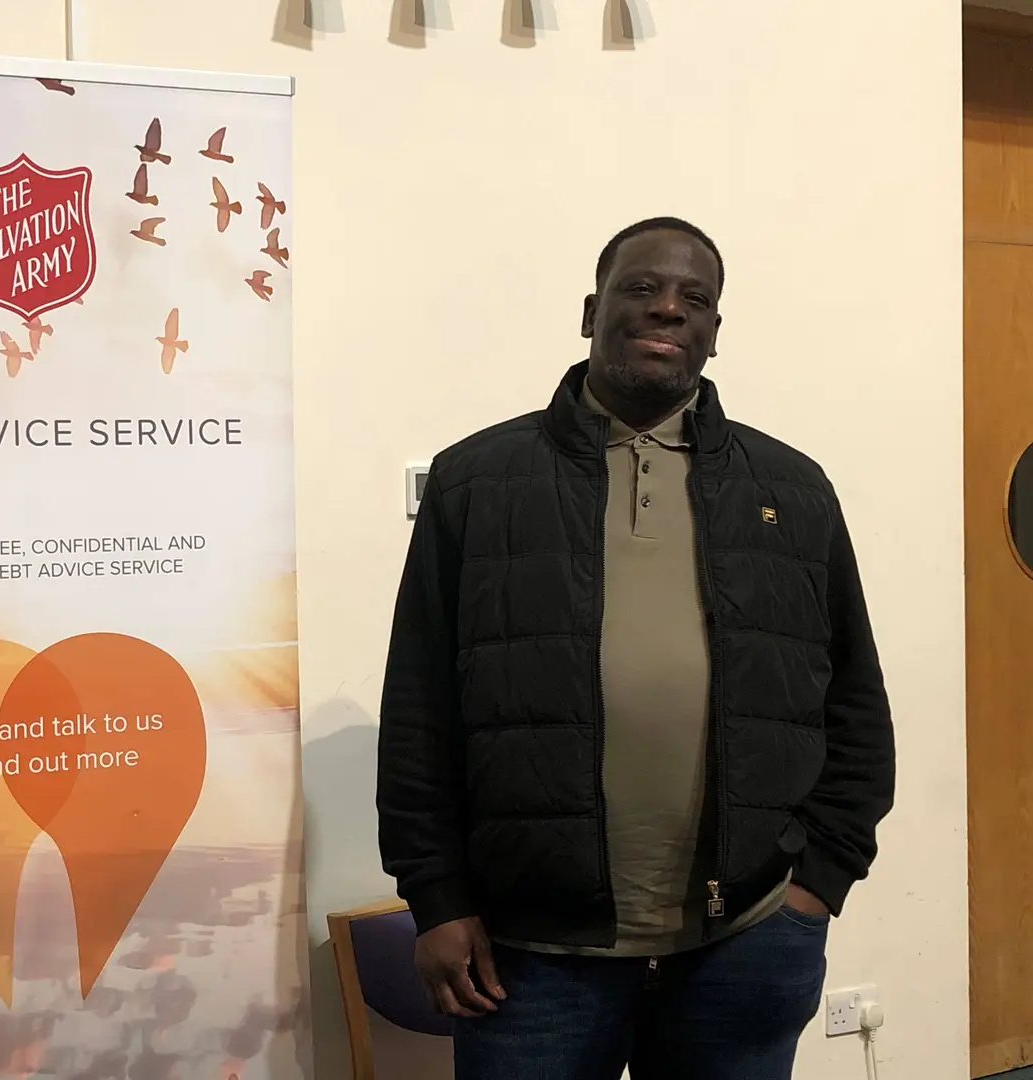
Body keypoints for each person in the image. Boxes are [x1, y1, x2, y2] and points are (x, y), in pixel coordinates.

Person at [376, 217, 895, 1079]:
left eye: (695, 299)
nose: (668, 308)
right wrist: (436, 900)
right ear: (592, 311)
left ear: (715, 334)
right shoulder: (476, 483)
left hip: (748, 942)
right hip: (531, 955)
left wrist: (818, 887)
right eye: (642, 287)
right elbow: (420, 711)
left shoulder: (793, 492)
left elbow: (854, 704)